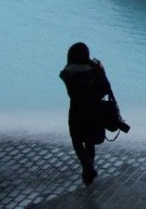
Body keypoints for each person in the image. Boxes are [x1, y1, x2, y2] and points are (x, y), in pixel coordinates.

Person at [59, 42, 112, 186]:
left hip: (77, 111)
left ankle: (87, 167)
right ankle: (88, 170)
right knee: (90, 141)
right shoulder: (95, 69)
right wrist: (101, 70)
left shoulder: (67, 73)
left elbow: (64, 78)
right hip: (95, 111)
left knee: (77, 141)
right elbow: (106, 88)